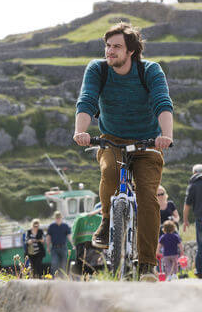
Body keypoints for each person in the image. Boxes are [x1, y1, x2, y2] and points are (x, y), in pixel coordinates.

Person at [73, 22, 174, 281]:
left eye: (117, 46)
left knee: (148, 198)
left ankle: (147, 266)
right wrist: (80, 132)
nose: (110, 51)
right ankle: (107, 220)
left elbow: (162, 101)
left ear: (131, 51)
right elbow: (87, 100)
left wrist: (166, 136)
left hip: (147, 142)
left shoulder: (150, 70)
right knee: (108, 170)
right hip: (111, 139)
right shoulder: (97, 70)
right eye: (107, 46)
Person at [71, 203, 104, 274]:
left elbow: (74, 233)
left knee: (82, 265)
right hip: (96, 246)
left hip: (82, 245)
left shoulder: (81, 218)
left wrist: (73, 244)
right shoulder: (101, 219)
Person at [46, 211, 71, 278]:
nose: (58, 219)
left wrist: (73, 244)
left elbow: (69, 236)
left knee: (64, 264)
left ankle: (63, 278)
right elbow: (48, 237)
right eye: (57, 218)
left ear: (61, 218)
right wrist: (48, 247)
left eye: (59, 217)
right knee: (54, 263)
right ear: (55, 218)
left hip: (63, 247)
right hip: (54, 248)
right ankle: (54, 278)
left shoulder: (65, 226)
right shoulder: (51, 226)